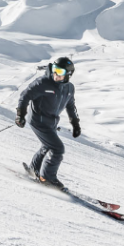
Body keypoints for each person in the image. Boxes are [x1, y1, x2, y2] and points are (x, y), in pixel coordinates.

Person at [16, 57, 80, 189]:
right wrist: (20, 115)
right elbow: (25, 96)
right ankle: (47, 178)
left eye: (60, 72)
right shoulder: (43, 83)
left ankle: (34, 170)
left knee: (47, 146)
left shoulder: (69, 88)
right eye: (55, 70)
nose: (56, 74)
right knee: (57, 149)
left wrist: (75, 123)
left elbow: (71, 105)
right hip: (38, 121)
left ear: (68, 74)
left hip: (52, 122)